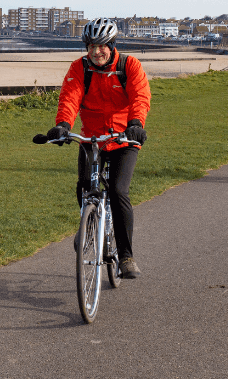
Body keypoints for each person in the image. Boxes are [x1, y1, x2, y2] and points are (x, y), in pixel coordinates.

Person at [47, 17, 151, 279]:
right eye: (91, 46)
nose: (96, 52)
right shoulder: (80, 68)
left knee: (117, 190)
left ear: (112, 45)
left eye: (102, 45)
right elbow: (70, 97)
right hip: (91, 138)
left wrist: (136, 123)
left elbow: (140, 96)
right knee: (84, 185)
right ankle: (88, 228)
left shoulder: (129, 66)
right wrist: (62, 125)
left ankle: (126, 256)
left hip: (123, 139)